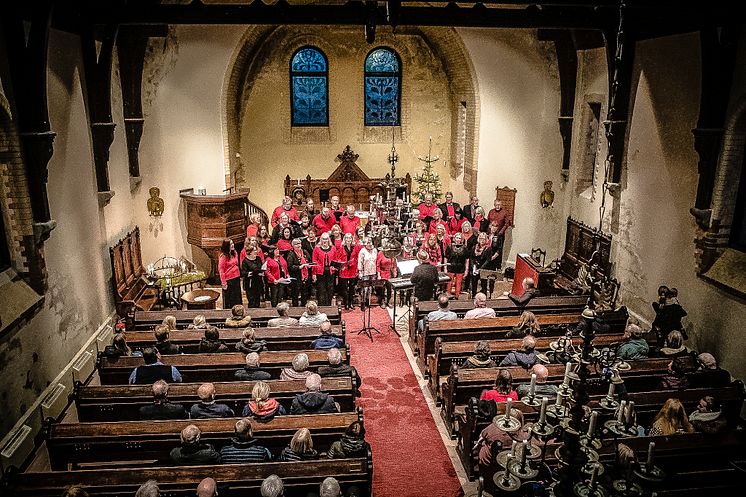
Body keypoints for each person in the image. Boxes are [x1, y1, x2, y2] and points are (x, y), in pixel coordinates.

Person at [477, 407, 531, 496]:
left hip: (490, 463)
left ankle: (485, 485)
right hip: (515, 466)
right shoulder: (525, 436)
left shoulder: (494, 428)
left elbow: (483, 434)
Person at [335, 232, 360, 310]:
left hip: (352, 269)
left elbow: (357, 258)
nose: (348, 239)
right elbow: (337, 258)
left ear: (352, 239)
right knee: (345, 288)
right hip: (344, 269)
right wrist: (342, 264)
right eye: (346, 238)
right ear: (344, 239)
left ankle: (351, 302)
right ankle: (346, 303)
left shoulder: (355, 247)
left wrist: (355, 267)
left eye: (350, 238)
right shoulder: (341, 247)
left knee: (352, 287)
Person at [312, 232, 337, 306]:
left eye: (326, 239)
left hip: (330, 272)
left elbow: (335, 260)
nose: (324, 240)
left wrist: (334, 267)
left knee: (330, 290)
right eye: (323, 239)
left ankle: (328, 305)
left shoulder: (333, 248)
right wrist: (314, 273)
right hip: (320, 272)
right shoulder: (317, 248)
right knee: (321, 290)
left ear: (328, 239)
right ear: (321, 239)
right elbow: (314, 261)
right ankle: (321, 306)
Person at [287, 238, 312, 307]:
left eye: (299, 243)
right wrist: (299, 267)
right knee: (295, 294)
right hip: (296, 277)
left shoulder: (305, 252)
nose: (298, 245)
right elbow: (290, 267)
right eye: (296, 244)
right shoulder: (291, 254)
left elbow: (309, 261)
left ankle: (304, 307)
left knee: (305, 294)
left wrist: (309, 265)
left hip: (305, 277)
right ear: (293, 246)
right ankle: (295, 309)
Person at [218, 238, 242, 309]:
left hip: (236, 278)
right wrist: (224, 283)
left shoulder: (234, 253)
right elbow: (221, 270)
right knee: (230, 299)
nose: (233, 245)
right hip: (229, 280)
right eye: (231, 244)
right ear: (226, 246)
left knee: (237, 297)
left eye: (233, 243)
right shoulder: (223, 256)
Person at [357, 237, 378, 311]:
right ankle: (363, 302)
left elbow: (376, 261)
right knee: (364, 289)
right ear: (365, 243)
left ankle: (368, 302)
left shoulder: (375, 250)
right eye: (368, 243)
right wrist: (360, 272)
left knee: (370, 288)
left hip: (373, 272)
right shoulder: (362, 251)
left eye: (371, 242)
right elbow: (360, 262)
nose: (370, 244)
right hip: (365, 272)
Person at [445, 232, 468, 298]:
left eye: (459, 238)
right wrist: (445, 268)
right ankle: (448, 296)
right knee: (449, 283)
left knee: (458, 283)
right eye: (457, 238)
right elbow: (446, 257)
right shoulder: (449, 246)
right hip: (451, 266)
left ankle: (457, 297)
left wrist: (466, 269)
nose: (458, 239)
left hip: (460, 267)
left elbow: (467, 259)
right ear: (454, 239)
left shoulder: (465, 248)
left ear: (461, 239)